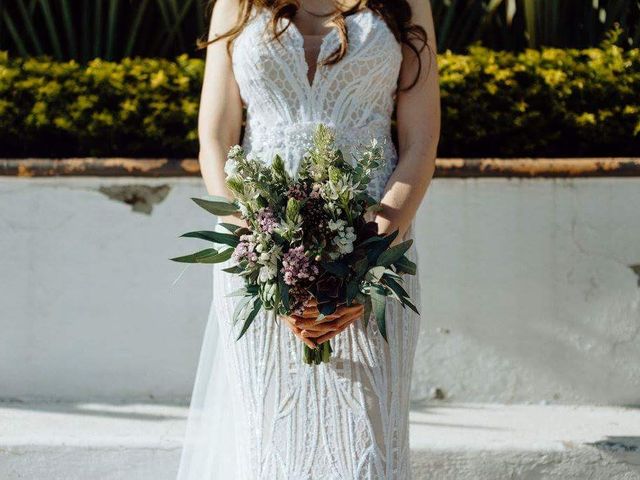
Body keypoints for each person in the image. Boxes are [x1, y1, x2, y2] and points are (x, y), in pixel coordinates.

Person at [177, 0, 440, 478]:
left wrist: (364, 265)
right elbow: (215, 138)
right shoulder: (235, 4)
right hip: (256, 254)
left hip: (378, 255)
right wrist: (262, 255)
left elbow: (421, 142)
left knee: (369, 448)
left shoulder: (405, 2)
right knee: (266, 446)